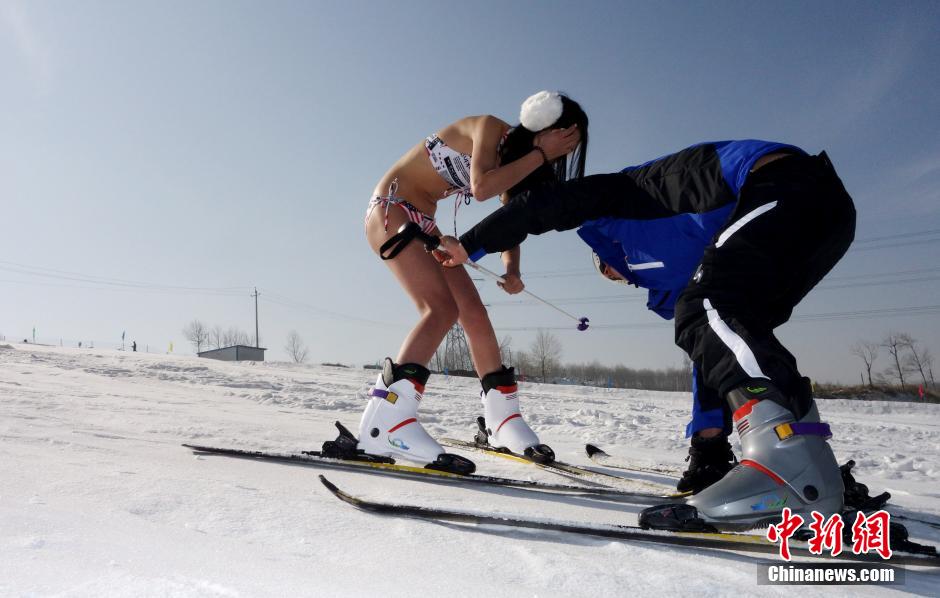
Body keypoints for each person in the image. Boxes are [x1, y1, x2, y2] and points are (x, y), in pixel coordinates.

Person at [438, 140, 855, 529]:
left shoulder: (615, 199)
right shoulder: (680, 261)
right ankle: (806, 464)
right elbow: (710, 352)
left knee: (704, 310)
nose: (616, 277)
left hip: (785, 184)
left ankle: (787, 465)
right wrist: (708, 449)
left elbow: (540, 205)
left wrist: (470, 245)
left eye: (611, 271)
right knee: (724, 327)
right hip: (827, 214)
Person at [327, 91, 589, 474]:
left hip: (424, 223)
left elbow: (510, 220)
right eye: (563, 141)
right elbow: (481, 186)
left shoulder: (520, 162)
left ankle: (502, 422)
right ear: (544, 128)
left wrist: (512, 269)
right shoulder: (488, 128)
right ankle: (385, 422)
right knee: (440, 309)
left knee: (475, 315)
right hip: (391, 208)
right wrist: (541, 154)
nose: (563, 153)